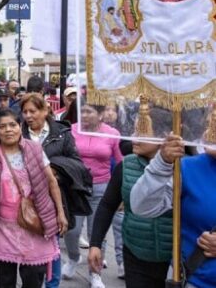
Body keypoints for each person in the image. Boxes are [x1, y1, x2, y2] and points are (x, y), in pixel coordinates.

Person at [0, 110, 68, 287]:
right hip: (3, 227)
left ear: (20, 127)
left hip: (34, 224)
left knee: (33, 279)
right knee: (5, 280)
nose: (8, 130)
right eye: (2, 126)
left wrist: (60, 213)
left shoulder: (35, 149)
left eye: (12, 125)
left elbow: (52, 182)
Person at [88, 100, 171, 288]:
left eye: (142, 133)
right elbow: (108, 204)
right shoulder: (127, 165)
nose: (134, 138)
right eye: (134, 131)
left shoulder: (184, 167)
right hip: (135, 252)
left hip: (174, 257)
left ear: (163, 135)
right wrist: (95, 243)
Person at [130, 121, 216, 288]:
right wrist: (162, 164)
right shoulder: (188, 168)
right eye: (210, 123)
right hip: (195, 280)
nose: (210, 131)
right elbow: (142, 207)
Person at [20, 93, 91, 288]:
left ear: (45, 111)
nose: (28, 116)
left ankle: (52, 283)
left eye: (32, 111)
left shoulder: (62, 132)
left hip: (54, 195)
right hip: (24, 196)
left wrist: (54, 169)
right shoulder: (17, 132)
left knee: (52, 243)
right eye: (25, 112)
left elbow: (77, 164)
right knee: (28, 242)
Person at [63, 100, 124, 288]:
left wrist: (121, 192)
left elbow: (120, 162)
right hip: (76, 188)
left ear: (100, 114)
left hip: (102, 188)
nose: (85, 115)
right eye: (83, 112)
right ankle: (74, 258)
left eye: (89, 111)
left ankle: (95, 274)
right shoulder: (71, 130)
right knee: (71, 231)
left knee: (97, 234)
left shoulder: (112, 134)